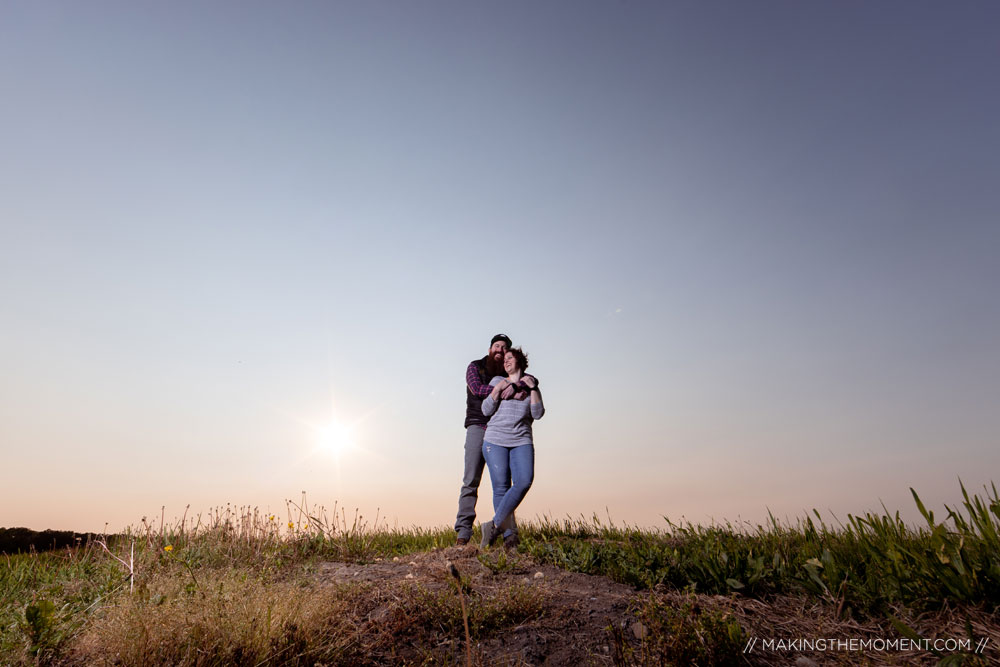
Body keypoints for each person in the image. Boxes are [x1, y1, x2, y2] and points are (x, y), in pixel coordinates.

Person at [454, 334, 526, 545]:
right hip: (478, 425)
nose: (500, 350)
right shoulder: (475, 367)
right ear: (489, 348)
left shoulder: (510, 372)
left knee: (503, 483)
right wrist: (507, 389)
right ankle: (463, 532)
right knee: (471, 480)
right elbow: (477, 390)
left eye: (504, 348)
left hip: (501, 430)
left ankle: (508, 533)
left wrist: (527, 382)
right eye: (497, 346)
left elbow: (527, 384)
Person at [479, 346, 544, 548]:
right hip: (495, 439)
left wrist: (532, 389)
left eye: (510, 358)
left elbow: (538, 413)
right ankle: (509, 539)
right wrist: (497, 390)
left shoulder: (531, 384)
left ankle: (493, 525)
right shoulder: (497, 381)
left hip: (521, 440)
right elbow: (485, 409)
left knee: (524, 481)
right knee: (501, 488)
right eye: (504, 359)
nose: (506, 361)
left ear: (520, 362)